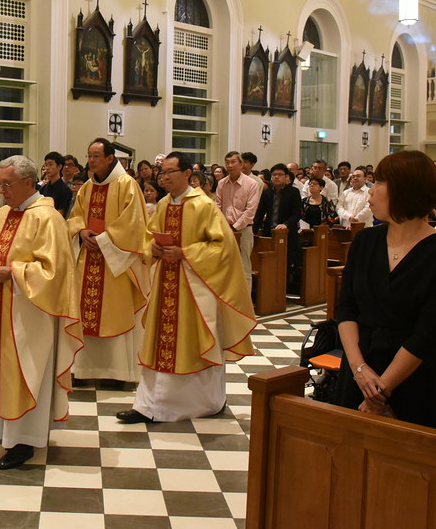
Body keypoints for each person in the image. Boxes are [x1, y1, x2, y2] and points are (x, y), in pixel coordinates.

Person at [335, 150, 436, 433]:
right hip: (362, 370)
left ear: (405, 189)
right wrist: (359, 369)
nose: (371, 190)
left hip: (417, 378)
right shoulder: (365, 241)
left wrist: (380, 391)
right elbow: (346, 308)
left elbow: (427, 333)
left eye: (379, 182)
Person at [117, 152, 256, 424]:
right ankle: (148, 404)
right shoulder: (163, 204)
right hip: (165, 284)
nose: (164, 177)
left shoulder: (204, 206)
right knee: (160, 341)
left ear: (187, 174)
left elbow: (223, 248)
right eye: (162, 172)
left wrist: (185, 253)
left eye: (170, 172)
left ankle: (200, 403)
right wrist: (153, 248)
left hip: (195, 287)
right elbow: (149, 237)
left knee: (191, 342)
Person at [0, 155, 83, 470]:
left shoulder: (48, 218)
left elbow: (54, 271)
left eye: (7, 184)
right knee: (0, 371)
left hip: (30, 313)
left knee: (26, 372)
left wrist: (14, 272)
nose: (1, 190)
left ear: (29, 183)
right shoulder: (1, 214)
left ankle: (26, 440)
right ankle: (7, 433)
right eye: (1, 184)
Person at [67, 139, 149, 384]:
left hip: (115, 263)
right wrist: (81, 231)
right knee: (84, 313)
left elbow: (134, 224)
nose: (91, 161)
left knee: (114, 314)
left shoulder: (127, 185)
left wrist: (103, 240)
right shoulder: (87, 187)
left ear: (110, 158)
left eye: (96, 156)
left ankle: (116, 372)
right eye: (89, 156)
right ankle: (83, 370)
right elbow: (76, 217)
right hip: (88, 259)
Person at [215, 151, 261, 293]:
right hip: (225, 229)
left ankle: (245, 301)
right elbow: (217, 206)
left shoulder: (251, 184)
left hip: (243, 230)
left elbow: (250, 211)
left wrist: (234, 227)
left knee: (244, 266)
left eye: (233, 162)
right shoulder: (222, 183)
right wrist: (224, 226)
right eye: (227, 162)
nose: (230, 165)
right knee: (225, 266)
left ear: (241, 164)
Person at [254, 163, 302, 291]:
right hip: (269, 233)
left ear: (286, 177)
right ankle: (269, 290)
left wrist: (285, 224)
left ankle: (282, 291)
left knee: (285, 263)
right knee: (268, 262)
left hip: (287, 234)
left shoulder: (293, 192)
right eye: (274, 175)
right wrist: (254, 231)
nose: (276, 177)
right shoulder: (267, 192)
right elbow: (260, 213)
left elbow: (297, 214)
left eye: (280, 175)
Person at [39, 151, 73, 217]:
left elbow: (60, 214)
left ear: (59, 167)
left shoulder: (65, 190)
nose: (47, 168)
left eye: (50, 164)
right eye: (46, 165)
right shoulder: (43, 188)